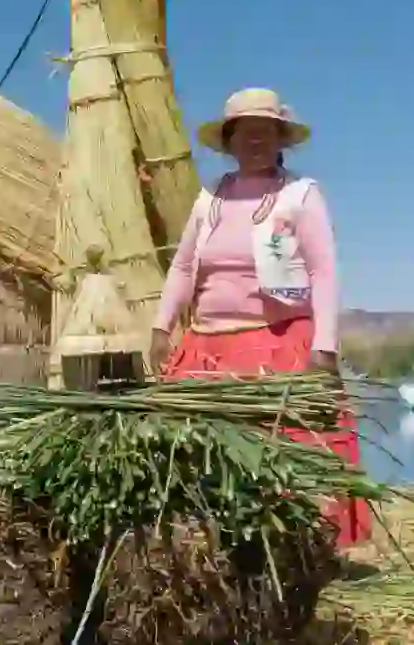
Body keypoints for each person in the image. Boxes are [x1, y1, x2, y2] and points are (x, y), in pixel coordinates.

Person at [151, 87, 370, 546]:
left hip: (278, 345)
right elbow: (185, 265)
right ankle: (216, 549)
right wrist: (161, 325)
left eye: (264, 132)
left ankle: (295, 553)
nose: (254, 141)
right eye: (244, 132)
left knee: (288, 459)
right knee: (196, 458)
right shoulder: (210, 197)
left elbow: (322, 270)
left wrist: (324, 348)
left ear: (280, 139)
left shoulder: (300, 195)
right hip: (206, 350)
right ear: (228, 140)